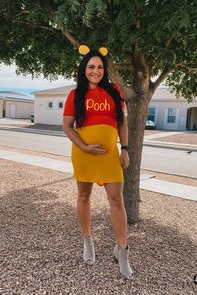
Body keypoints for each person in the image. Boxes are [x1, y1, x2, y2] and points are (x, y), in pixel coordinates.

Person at [63, 45, 132, 279]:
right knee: (84, 196)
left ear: (105, 69)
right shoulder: (75, 95)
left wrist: (125, 148)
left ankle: (122, 251)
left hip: (110, 155)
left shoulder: (114, 91)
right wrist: (84, 146)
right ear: (84, 69)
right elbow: (67, 127)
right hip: (84, 154)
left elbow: (122, 123)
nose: (96, 71)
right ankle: (87, 240)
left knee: (117, 200)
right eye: (91, 66)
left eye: (100, 67)